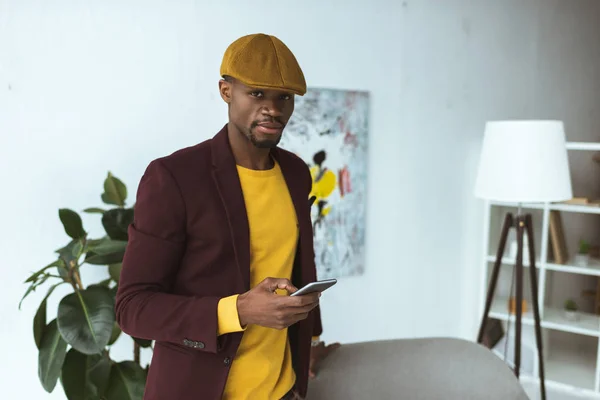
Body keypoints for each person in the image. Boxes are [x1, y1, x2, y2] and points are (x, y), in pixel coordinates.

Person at [115, 33, 340, 400]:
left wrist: (311, 339)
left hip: (282, 391)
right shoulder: (175, 177)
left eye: (284, 97)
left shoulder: (296, 174)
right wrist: (237, 310)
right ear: (225, 91)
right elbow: (132, 307)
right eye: (257, 94)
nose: (273, 108)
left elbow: (301, 264)